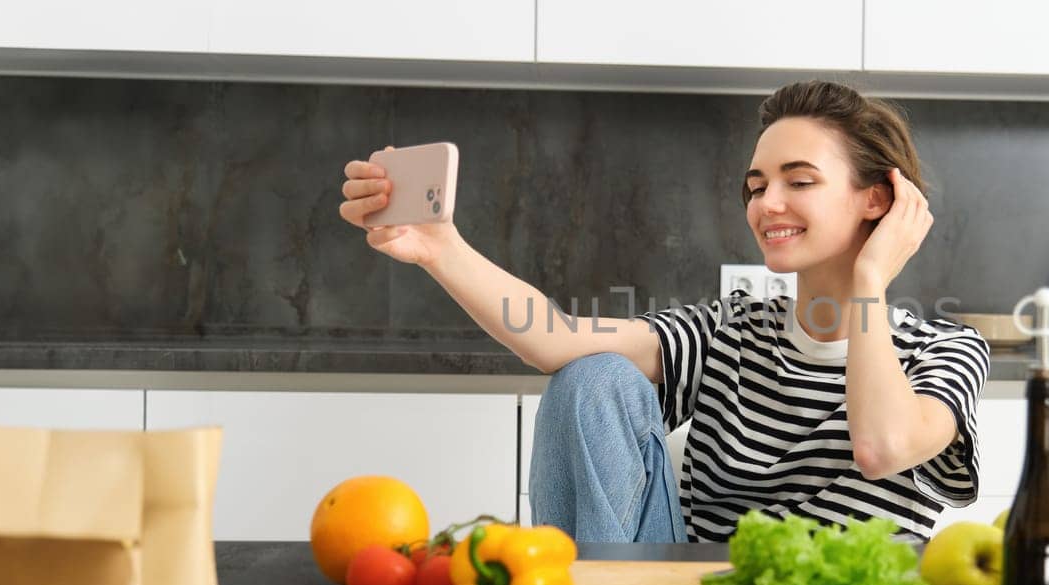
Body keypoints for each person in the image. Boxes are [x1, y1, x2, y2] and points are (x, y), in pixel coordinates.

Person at [338, 80, 989, 543]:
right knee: (591, 375)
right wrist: (438, 248)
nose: (766, 204)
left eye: (800, 180)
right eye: (756, 186)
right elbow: (553, 339)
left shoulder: (945, 351)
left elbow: (882, 447)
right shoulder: (732, 333)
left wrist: (871, 277)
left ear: (877, 201)